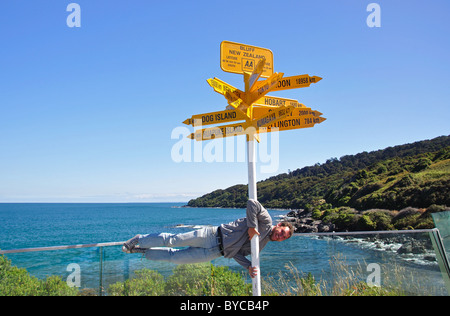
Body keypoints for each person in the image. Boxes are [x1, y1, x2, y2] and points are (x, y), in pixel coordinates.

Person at [122, 199, 294, 278]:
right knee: (173, 240)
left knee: (176, 258)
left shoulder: (260, 246)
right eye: (282, 231)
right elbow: (252, 203)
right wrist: (251, 227)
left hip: (214, 254)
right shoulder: (266, 221)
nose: (280, 235)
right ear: (279, 225)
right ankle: (139, 239)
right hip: (210, 236)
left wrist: (248, 266)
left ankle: (143, 251)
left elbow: (237, 254)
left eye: (283, 237)